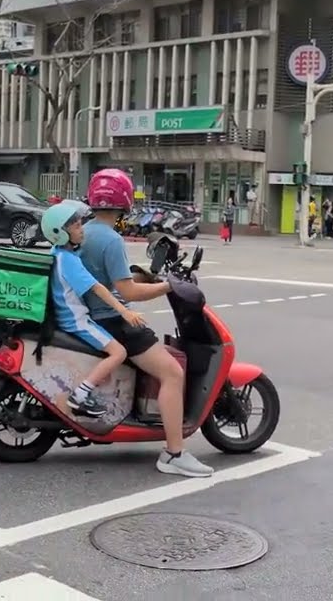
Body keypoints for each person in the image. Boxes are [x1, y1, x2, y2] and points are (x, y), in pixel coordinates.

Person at [79, 168, 214, 478]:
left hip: (95, 315)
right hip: (114, 320)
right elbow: (127, 292)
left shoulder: (85, 231)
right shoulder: (110, 238)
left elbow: (114, 278)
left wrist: (148, 275)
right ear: (124, 200)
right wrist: (169, 286)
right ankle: (174, 454)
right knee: (172, 372)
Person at [40, 201, 147, 418]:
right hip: (76, 321)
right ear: (60, 233)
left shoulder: (57, 252)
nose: (82, 230)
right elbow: (98, 288)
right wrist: (125, 311)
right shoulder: (68, 260)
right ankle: (80, 395)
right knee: (119, 352)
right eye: (77, 227)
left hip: (64, 318)